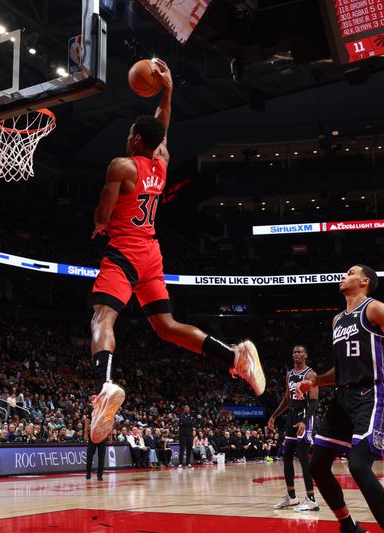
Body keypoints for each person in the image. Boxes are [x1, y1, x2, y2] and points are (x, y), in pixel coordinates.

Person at [88, 58, 264, 444]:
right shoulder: (162, 164)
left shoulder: (120, 167)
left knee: (102, 318)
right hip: (152, 253)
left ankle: (104, 387)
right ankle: (234, 356)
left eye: (131, 132)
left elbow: (102, 214)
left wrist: (101, 222)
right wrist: (167, 88)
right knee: (166, 327)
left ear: (135, 139)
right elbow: (162, 124)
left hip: (124, 252)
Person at [297, 265, 384, 533]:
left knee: (358, 465)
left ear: (364, 281)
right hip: (343, 396)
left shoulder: (375, 308)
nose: (343, 275)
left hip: (372, 394)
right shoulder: (337, 320)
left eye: (350, 272)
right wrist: (316, 381)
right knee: (317, 466)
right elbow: (341, 370)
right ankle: (348, 525)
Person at [268, 344, 319, 512]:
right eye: (294, 352)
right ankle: (291, 497)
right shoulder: (289, 374)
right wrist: (274, 415)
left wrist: (305, 421)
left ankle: (311, 499)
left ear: (305, 355)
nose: (296, 354)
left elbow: (314, 402)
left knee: (304, 457)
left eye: (299, 352)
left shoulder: (311, 374)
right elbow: (287, 399)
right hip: (291, 416)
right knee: (287, 456)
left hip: (304, 415)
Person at [85, 415, 106, 480]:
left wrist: (110, 436)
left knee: (101, 457)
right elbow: (87, 422)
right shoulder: (92, 411)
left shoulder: (104, 411)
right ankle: (88, 473)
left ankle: (100, 475)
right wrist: (85, 433)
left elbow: (109, 425)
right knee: (89, 455)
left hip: (102, 437)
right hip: (92, 436)